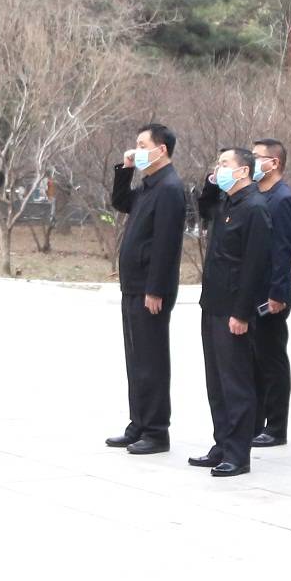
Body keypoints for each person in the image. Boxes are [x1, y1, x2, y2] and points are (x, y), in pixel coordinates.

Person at [189, 147, 272, 477]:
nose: (218, 168)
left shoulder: (254, 208)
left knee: (236, 381)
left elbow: (255, 267)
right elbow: (202, 206)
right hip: (213, 303)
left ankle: (238, 453)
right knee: (216, 381)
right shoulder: (226, 202)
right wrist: (210, 182)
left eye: (225, 165)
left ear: (243, 171)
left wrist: (242, 313)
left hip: (234, 310)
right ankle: (222, 442)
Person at [107, 123, 187, 454]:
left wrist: (156, 289)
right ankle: (138, 423)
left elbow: (167, 245)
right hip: (134, 285)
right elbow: (121, 202)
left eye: (142, 145)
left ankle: (156, 430)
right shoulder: (150, 185)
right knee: (136, 358)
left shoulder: (170, 188)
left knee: (151, 360)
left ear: (161, 150)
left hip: (150, 290)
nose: (136, 150)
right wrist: (126, 169)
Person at [247, 140, 291, 447]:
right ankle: (254, 421)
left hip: (271, 294)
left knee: (272, 360)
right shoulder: (257, 194)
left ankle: (276, 426)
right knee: (253, 360)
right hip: (251, 291)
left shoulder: (283, 199)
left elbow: (284, 250)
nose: (253, 162)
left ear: (274, 162)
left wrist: (277, 294)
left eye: (257, 158)